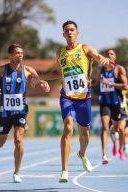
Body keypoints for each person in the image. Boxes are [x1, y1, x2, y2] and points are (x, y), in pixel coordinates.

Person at [40, 20, 112, 183]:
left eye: (72, 30)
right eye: (67, 30)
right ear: (63, 34)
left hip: (83, 99)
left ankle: (82, 154)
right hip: (67, 97)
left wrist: (102, 59)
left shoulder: (85, 48)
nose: (70, 32)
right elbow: (57, 72)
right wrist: (39, 78)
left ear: (77, 33)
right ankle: (64, 170)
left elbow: (97, 56)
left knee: (84, 134)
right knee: (68, 127)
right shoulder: (61, 53)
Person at [0, 43, 50, 183]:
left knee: (18, 139)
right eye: (17, 53)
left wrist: (44, 84)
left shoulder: (27, 70)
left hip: (20, 111)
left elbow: (39, 80)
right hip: (5, 112)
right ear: (10, 55)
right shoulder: (0, 71)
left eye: (22, 53)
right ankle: (3, 138)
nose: (20, 55)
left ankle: (17, 172)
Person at [96, 49, 128, 164]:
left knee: (118, 129)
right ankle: (104, 155)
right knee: (105, 127)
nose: (109, 55)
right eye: (107, 54)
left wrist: (110, 83)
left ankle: (120, 148)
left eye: (111, 54)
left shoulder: (119, 69)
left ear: (115, 57)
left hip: (116, 102)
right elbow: (95, 83)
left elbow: (125, 85)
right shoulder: (100, 69)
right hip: (104, 102)